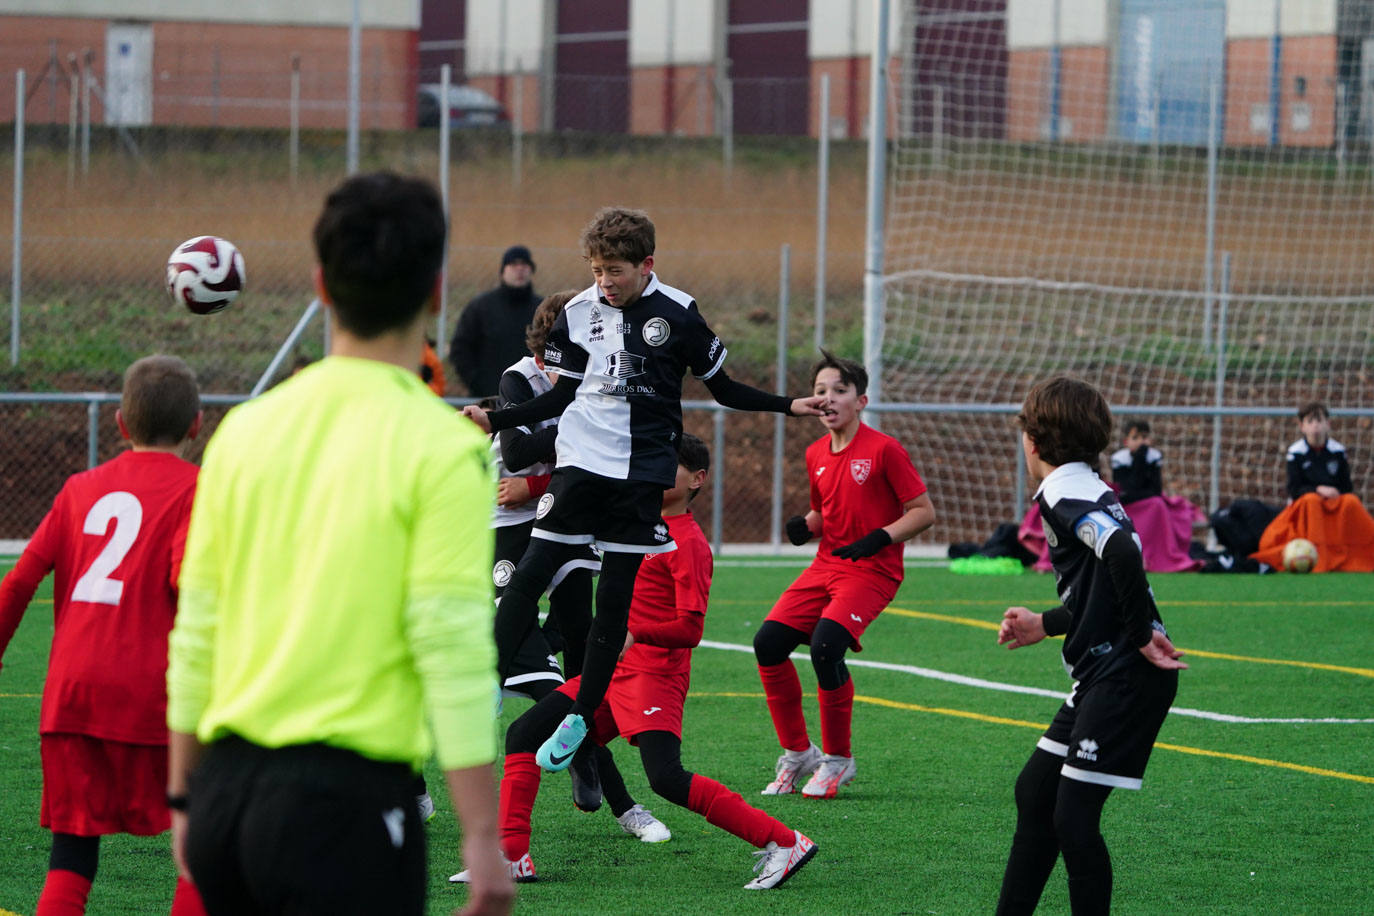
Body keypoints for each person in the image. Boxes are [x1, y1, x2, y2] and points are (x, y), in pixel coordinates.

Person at [165, 172, 513, 916]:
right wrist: (483, 837)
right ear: (437, 293)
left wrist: (182, 793)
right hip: (344, 808)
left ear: (321, 285)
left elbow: (197, 627)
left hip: (224, 797)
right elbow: (449, 644)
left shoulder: (244, 431)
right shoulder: (446, 449)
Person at [462, 206, 826, 774]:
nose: (604, 281)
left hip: (640, 475)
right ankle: (487, 679)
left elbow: (723, 388)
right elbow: (558, 399)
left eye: (615, 270)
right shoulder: (579, 313)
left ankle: (581, 715)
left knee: (614, 601)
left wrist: (790, 405)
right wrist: (499, 421)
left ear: (646, 264)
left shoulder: (679, 315)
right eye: (596, 269)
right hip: (580, 464)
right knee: (533, 569)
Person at [450, 434, 818, 891]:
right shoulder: (633, 521)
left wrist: (635, 633)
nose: (656, 470)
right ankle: (511, 855)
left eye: (671, 465)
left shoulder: (689, 544)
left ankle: (784, 842)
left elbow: (691, 630)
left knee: (665, 777)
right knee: (524, 733)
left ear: (697, 480)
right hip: (613, 672)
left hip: (654, 676)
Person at [0, 354, 207, 915]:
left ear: (119, 423)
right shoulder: (199, 490)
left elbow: (18, 583)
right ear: (196, 425)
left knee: (69, 861)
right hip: (155, 697)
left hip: (71, 698)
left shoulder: (79, 489)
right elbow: (192, 585)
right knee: (200, 853)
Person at [994, 375, 1186, 915]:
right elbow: (1099, 585)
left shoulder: (1061, 490)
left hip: (1126, 674)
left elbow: (1122, 551)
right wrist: (1046, 622)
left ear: (1033, 441)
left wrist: (1141, 636)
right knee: (1037, 794)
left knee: (1072, 818)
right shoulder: (1086, 486)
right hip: (1107, 673)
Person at [752, 349, 935, 799]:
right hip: (826, 566)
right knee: (767, 643)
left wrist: (879, 538)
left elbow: (923, 512)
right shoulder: (816, 452)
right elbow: (823, 513)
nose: (828, 399)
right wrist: (806, 526)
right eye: (820, 391)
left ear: (861, 400)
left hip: (872, 571)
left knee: (826, 647)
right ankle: (799, 754)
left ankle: (838, 760)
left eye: (839, 390)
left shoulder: (884, 450)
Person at [489, 290, 621, 812]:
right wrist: (563, 441)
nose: (556, 367)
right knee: (511, 626)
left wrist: (541, 487)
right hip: (509, 523)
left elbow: (601, 452)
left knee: (577, 633)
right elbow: (517, 454)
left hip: (564, 515)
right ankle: (501, 693)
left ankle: (581, 755)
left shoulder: (600, 378)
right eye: (551, 355)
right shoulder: (518, 378)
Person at [1249, 401, 1374, 573]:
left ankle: (1361, 554)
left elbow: (1346, 486)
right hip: (1306, 508)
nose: (1315, 426)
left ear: (1327, 424)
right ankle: (1319, 557)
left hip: (1333, 505)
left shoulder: (1338, 451)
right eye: (1310, 422)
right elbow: (1294, 489)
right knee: (1311, 500)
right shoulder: (1296, 452)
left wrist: (1335, 492)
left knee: (1350, 501)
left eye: (1319, 421)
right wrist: (1317, 490)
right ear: (1302, 426)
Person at [449, 244, 540, 397]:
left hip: (531, 398)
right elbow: (460, 348)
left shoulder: (541, 310)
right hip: (488, 398)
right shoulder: (481, 307)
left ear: (531, 270)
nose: (520, 269)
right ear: (503, 271)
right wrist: (476, 383)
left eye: (524, 264)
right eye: (513, 264)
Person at [1108, 419, 1162, 504]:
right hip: (1128, 502)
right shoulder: (1119, 459)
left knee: (1157, 502)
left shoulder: (1154, 456)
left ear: (1150, 440)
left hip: (1149, 501)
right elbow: (1126, 489)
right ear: (1126, 441)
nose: (1140, 442)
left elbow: (1156, 490)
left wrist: (1141, 456)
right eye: (1135, 438)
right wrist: (1139, 458)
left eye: (1144, 437)